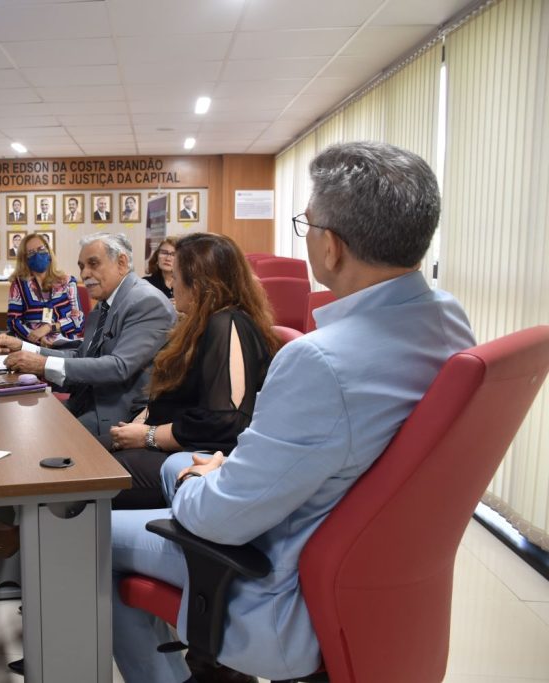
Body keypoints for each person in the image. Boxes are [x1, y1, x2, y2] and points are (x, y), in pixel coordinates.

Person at [111, 141, 475, 683]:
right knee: (183, 466)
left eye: (306, 224)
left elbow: (218, 519)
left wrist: (194, 479)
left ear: (332, 246)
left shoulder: (322, 362)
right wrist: (220, 471)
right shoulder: (449, 320)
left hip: (279, 583)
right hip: (365, 563)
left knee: (90, 534)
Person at [105, 233, 277, 509]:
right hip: (175, 444)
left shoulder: (226, 323)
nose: (172, 284)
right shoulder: (202, 322)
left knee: (90, 476)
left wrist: (149, 435)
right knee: (89, 456)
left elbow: (225, 419)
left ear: (197, 284)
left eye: (176, 276)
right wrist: (145, 418)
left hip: (199, 457)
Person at [0, 232, 175, 436]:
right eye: (81, 266)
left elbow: (119, 367)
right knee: (16, 423)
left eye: (93, 264)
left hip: (119, 416)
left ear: (122, 263)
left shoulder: (146, 301)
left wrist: (43, 364)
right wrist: (26, 348)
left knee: (38, 436)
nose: (85, 274)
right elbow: (83, 356)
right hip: (85, 401)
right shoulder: (105, 304)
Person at [6, 233, 84, 347]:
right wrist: (36, 338)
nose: (37, 255)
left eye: (41, 249)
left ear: (49, 251)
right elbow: (13, 321)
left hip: (66, 346)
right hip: (33, 346)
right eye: (31, 252)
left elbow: (78, 319)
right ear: (24, 258)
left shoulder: (67, 282)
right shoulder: (18, 285)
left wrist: (49, 328)